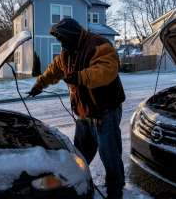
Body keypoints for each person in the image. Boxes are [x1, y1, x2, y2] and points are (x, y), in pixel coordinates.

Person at [28, 18, 126, 198]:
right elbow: (53, 71)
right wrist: (39, 85)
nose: (61, 44)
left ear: (72, 35)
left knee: (109, 153)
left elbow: (108, 70)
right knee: (80, 152)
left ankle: (115, 187)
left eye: (63, 39)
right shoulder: (67, 53)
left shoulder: (98, 45)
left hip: (105, 110)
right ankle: (78, 180)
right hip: (84, 112)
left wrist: (80, 77)